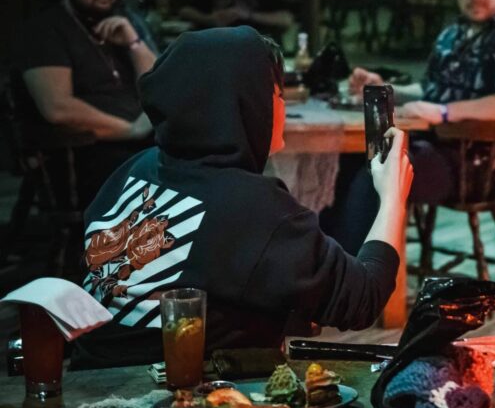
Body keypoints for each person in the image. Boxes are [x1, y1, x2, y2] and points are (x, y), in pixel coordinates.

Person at [71, 26, 413, 368]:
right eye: (277, 93)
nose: (281, 106)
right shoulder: (250, 206)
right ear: (247, 104)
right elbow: (363, 297)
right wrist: (393, 197)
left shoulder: (136, 169)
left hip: (87, 374)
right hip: (170, 389)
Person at [322, 0, 495, 254]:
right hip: (430, 144)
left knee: (378, 172)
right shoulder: (452, 34)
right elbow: (431, 91)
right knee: (342, 158)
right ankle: (326, 263)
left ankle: (358, 272)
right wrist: (385, 89)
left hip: (471, 163)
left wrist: (446, 112)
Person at [11, 0, 157, 206]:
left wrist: (134, 43)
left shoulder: (122, 21)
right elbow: (58, 108)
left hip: (139, 142)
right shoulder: (46, 30)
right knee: (167, 175)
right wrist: (132, 130)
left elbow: (160, 85)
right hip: (83, 154)